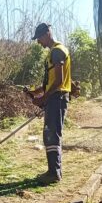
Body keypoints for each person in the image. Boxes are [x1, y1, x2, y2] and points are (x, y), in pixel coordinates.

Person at [28, 23, 73, 185]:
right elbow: (52, 80)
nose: (38, 42)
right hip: (55, 97)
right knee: (50, 134)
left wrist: (43, 98)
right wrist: (37, 92)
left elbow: (59, 81)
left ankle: (54, 173)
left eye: (39, 38)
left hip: (57, 98)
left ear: (47, 34)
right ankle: (52, 170)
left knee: (52, 134)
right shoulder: (54, 52)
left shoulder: (57, 51)